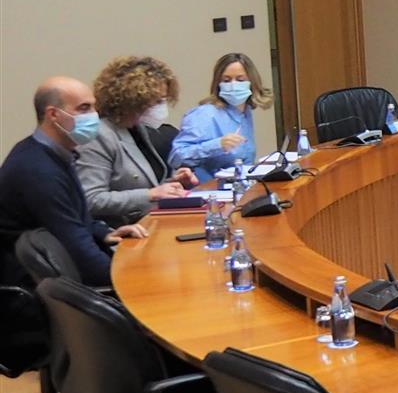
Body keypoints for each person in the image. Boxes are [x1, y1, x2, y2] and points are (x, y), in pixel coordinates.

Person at [0, 77, 149, 288]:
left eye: (94, 107)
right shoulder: (38, 171)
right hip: (33, 286)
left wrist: (105, 233)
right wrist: (133, 280)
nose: (94, 115)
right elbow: (77, 250)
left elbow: (76, 217)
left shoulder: (52, 153)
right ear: (53, 114)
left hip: (58, 272)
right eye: (84, 108)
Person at [77, 55, 198, 227]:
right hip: (120, 231)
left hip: (151, 223)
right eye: (157, 101)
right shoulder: (100, 135)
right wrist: (151, 194)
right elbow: (91, 199)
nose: (162, 106)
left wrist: (174, 184)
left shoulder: (138, 128)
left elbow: (144, 184)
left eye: (164, 100)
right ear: (133, 100)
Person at [170, 53, 271, 183]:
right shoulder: (205, 114)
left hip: (238, 186)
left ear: (252, 83)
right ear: (218, 84)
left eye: (240, 80)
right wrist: (217, 145)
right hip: (209, 189)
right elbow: (176, 157)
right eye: (226, 80)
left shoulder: (245, 112)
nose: (233, 85)